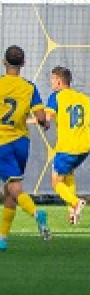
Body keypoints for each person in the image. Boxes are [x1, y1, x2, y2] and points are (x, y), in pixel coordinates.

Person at [0, 44, 50, 251]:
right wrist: (44, 123)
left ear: (4, 62)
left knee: (15, 187)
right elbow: (41, 117)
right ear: (23, 64)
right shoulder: (29, 87)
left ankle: (36, 213)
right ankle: (2, 237)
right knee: (10, 190)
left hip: (0, 143)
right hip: (21, 143)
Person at [45, 66, 89, 225]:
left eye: (52, 79)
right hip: (84, 147)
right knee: (68, 174)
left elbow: (47, 119)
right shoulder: (83, 98)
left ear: (58, 81)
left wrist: (28, 120)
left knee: (56, 182)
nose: (51, 83)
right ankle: (72, 212)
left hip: (67, 147)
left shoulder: (56, 97)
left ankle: (76, 202)